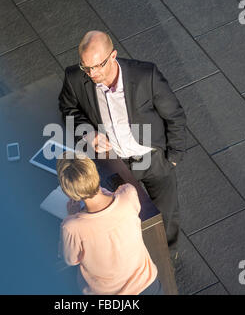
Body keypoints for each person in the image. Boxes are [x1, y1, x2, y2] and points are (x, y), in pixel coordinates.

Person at [58, 30, 187, 258]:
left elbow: (174, 115)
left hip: (153, 158)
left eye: (98, 65)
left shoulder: (146, 75)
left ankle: (169, 256)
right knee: (122, 216)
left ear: (113, 55)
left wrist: (173, 158)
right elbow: (68, 109)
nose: (92, 73)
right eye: (86, 67)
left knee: (166, 215)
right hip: (116, 162)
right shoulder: (75, 78)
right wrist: (88, 134)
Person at [57, 152, 163, 295]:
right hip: (148, 285)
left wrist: (71, 214)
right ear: (95, 173)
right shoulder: (128, 194)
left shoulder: (71, 227)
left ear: (70, 193)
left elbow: (71, 259)